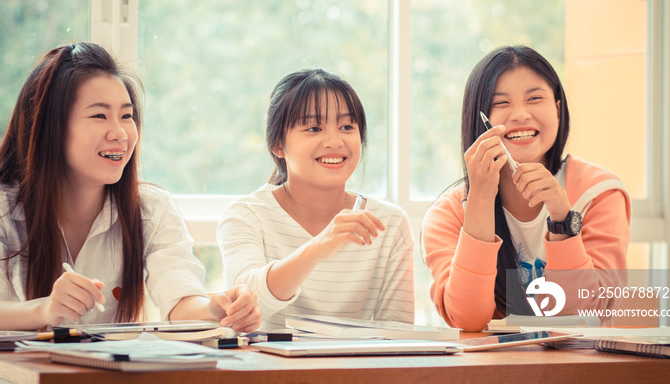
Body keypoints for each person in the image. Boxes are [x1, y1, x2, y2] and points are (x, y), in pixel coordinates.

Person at [0, 42, 261, 331]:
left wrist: (217, 308)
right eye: (100, 115)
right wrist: (44, 309)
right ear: (51, 126)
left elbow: (180, 299)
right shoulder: (3, 209)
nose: (121, 133)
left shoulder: (153, 209)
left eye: (126, 116)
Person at [422, 45, 630, 332]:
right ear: (478, 118)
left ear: (558, 109)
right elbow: (469, 320)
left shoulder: (600, 193)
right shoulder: (448, 213)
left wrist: (562, 221)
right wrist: (480, 200)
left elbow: (588, 313)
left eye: (534, 98)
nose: (520, 114)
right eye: (501, 103)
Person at [217, 68, 414, 330]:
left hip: (358, 369)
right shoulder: (245, 215)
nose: (334, 141)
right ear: (277, 145)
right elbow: (246, 304)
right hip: (267, 370)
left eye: (347, 127)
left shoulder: (389, 222)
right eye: (313, 128)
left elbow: (398, 335)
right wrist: (317, 248)